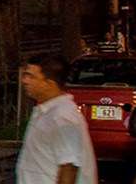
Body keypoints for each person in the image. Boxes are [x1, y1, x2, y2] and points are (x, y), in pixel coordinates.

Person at [16, 53, 96, 184]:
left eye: (31, 77)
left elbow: (69, 168)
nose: (24, 81)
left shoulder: (62, 117)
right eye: (25, 75)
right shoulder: (46, 111)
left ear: (49, 83)